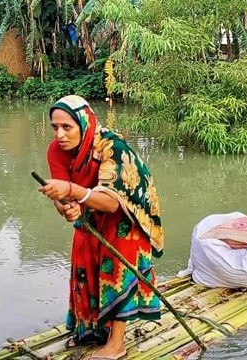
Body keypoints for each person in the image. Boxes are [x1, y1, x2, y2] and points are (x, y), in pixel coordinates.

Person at [38, 95, 163, 360]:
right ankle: (92, 331)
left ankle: (116, 344)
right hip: (91, 212)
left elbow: (111, 202)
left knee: (115, 270)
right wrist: (65, 207)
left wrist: (72, 191)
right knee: (84, 264)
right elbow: (63, 198)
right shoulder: (55, 151)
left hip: (125, 216)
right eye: (55, 127)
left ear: (84, 125)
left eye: (67, 127)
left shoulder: (111, 147)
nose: (59, 134)